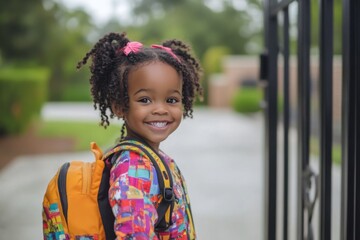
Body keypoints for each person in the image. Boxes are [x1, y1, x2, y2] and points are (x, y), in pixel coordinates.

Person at [77, 32, 202, 239]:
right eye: (145, 100)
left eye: (171, 100)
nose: (160, 109)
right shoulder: (133, 170)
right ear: (120, 106)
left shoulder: (154, 160)